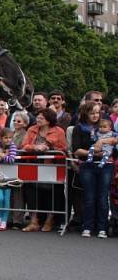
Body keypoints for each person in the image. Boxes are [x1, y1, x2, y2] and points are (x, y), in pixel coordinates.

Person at [72, 102, 116, 238]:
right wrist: (93, 153)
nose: (95, 115)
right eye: (92, 113)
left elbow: (115, 139)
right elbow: (76, 150)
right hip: (88, 165)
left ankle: (102, 227)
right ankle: (87, 226)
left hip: (106, 165)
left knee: (103, 197)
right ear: (86, 113)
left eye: (97, 112)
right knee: (89, 197)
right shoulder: (79, 128)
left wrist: (102, 142)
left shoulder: (104, 124)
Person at [20, 108, 67, 232]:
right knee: (30, 191)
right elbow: (24, 146)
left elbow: (64, 148)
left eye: (41, 118)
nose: (38, 120)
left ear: (48, 120)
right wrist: (36, 147)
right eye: (38, 117)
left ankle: (49, 221)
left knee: (53, 193)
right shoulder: (32, 129)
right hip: (33, 165)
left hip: (51, 167)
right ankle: (34, 221)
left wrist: (50, 147)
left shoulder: (59, 131)